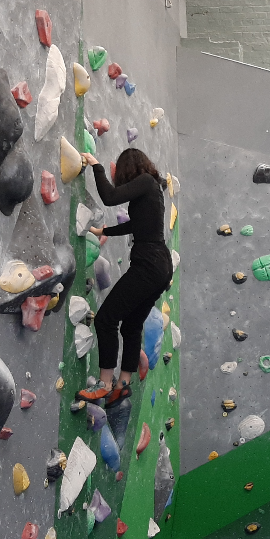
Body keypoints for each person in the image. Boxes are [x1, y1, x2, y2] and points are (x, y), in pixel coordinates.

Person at [75, 148, 173, 406]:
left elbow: (109, 197)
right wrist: (103, 230)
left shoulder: (145, 182)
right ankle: (123, 384)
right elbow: (135, 225)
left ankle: (104, 384)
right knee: (131, 326)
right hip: (160, 267)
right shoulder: (152, 190)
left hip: (149, 264)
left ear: (129, 167)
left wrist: (96, 167)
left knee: (106, 319)